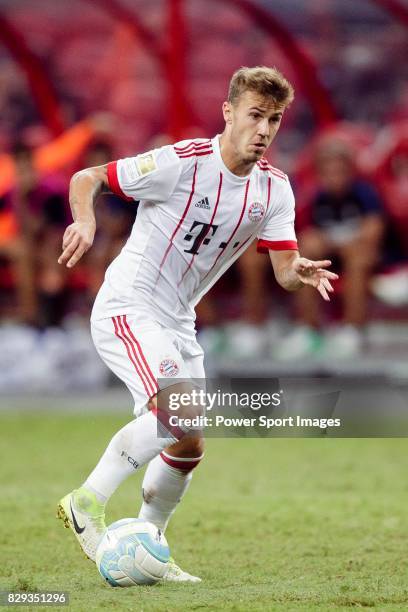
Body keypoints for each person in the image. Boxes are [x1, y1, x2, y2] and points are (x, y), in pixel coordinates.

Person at [56, 66, 337, 582]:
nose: (264, 130)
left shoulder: (274, 190)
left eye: (274, 120)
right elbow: (87, 177)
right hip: (130, 306)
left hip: (178, 323)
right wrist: (86, 218)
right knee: (180, 414)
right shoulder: (181, 164)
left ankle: (150, 548)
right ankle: (86, 501)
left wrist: (298, 271)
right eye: (254, 115)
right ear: (228, 113)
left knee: (189, 443)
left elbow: (283, 271)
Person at [278, 138, 383, 360]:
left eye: (339, 171)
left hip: (367, 260)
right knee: (304, 258)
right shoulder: (316, 199)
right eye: (329, 172)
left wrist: (335, 242)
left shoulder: (365, 194)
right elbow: (307, 237)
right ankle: (309, 329)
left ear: (349, 171)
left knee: (358, 257)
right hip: (332, 257)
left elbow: (373, 234)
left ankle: (352, 330)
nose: (335, 177)